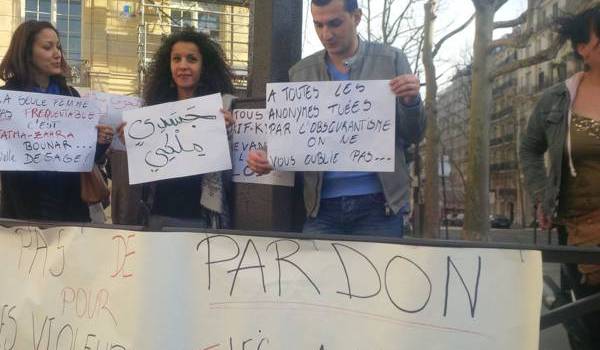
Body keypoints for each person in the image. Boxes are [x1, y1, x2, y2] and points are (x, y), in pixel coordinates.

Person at [247, 0, 424, 237]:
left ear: (357, 17)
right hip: (321, 208)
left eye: (335, 23)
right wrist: (270, 155)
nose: (326, 34)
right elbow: (294, 134)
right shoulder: (300, 73)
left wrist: (411, 102)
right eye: (318, 25)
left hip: (381, 207)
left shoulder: (391, 60)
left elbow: (414, 134)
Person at [520, 5, 600, 349]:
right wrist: (541, 194)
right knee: (588, 332)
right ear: (583, 48)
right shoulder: (556, 100)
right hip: (583, 238)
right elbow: (529, 149)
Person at [119, 28, 235, 229]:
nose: (183, 66)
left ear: (204, 66)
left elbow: (234, 170)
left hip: (202, 219)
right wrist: (131, 142)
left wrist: (229, 134)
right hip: (159, 215)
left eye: (191, 59)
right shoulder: (152, 113)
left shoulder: (221, 109)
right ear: (168, 65)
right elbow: (144, 169)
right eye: (176, 59)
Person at [0, 21, 113, 222]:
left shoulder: (71, 96)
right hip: (21, 207)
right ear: (26, 52)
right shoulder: (7, 99)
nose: (57, 53)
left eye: (58, 46)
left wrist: (100, 142)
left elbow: (82, 158)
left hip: (69, 207)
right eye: (47, 47)